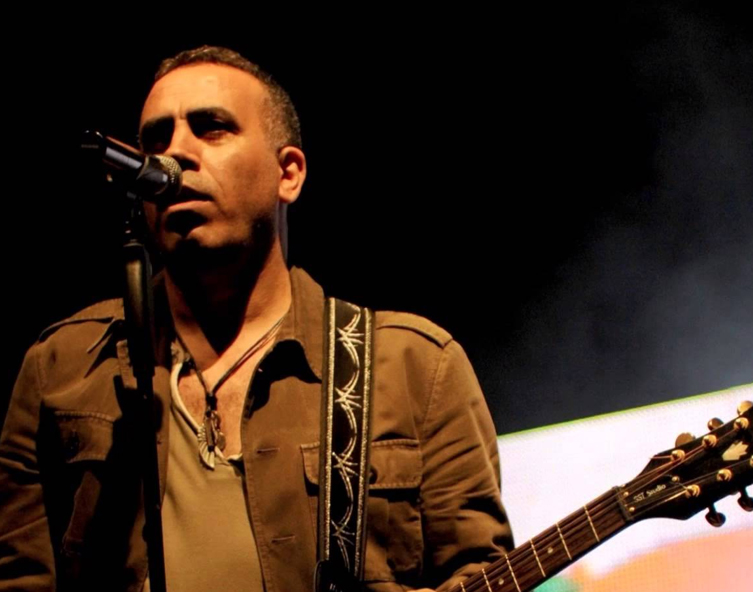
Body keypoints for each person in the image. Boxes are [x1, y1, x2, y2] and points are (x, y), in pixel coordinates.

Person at [0, 46, 513, 592]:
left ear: (288, 173)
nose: (175, 155)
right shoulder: (59, 368)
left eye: (212, 128)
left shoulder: (415, 369)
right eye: (156, 140)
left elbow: (478, 570)